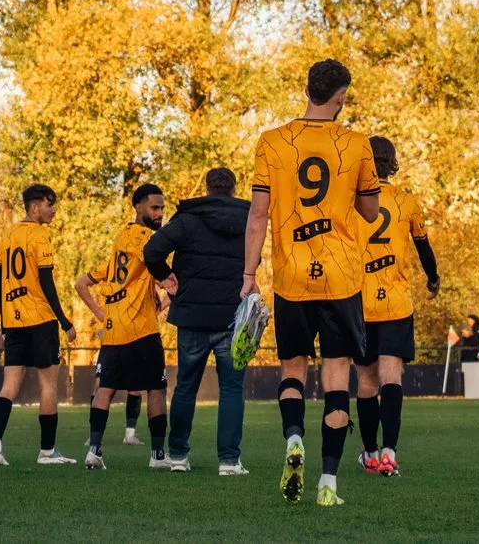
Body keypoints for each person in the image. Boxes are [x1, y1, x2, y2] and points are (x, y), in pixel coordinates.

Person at [243, 57, 384, 508]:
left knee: (293, 370)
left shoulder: (271, 142)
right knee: (338, 378)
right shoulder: (357, 144)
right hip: (342, 278)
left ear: (308, 90)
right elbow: (370, 212)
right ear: (339, 97)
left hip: (292, 277)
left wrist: (248, 275)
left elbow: (258, 216)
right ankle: (328, 484)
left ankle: (292, 440)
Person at [145, 165, 253, 475]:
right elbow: (255, 259)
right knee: (232, 390)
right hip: (231, 317)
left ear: (207, 189)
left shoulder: (188, 219)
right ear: (233, 190)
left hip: (192, 316)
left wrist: (165, 277)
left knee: (185, 388)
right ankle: (229, 461)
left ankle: (178, 456)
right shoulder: (248, 220)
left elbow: (152, 250)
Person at [355, 135, 439, 477]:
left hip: (358, 302)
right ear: (392, 164)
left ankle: (370, 454)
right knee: (391, 376)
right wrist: (433, 279)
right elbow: (424, 247)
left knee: (366, 381)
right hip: (395, 302)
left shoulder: (352, 202)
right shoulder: (406, 202)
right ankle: (389, 451)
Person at [78, 182, 170, 470]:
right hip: (141, 328)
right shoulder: (143, 237)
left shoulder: (121, 239)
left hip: (114, 328)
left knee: (106, 388)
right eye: (154, 208)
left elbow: (82, 284)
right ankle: (157, 456)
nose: (159, 214)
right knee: (156, 389)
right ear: (138, 207)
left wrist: (101, 314)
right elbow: (162, 271)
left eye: (162, 209)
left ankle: (94, 450)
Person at [0, 184, 76, 466]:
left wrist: (4, 315)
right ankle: (47, 452)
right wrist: (64, 321)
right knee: (48, 385)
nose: (53, 211)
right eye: (50, 205)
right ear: (35, 207)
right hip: (40, 320)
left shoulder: (10, 233)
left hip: (14, 323)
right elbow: (46, 281)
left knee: (9, 386)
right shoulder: (40, 235)